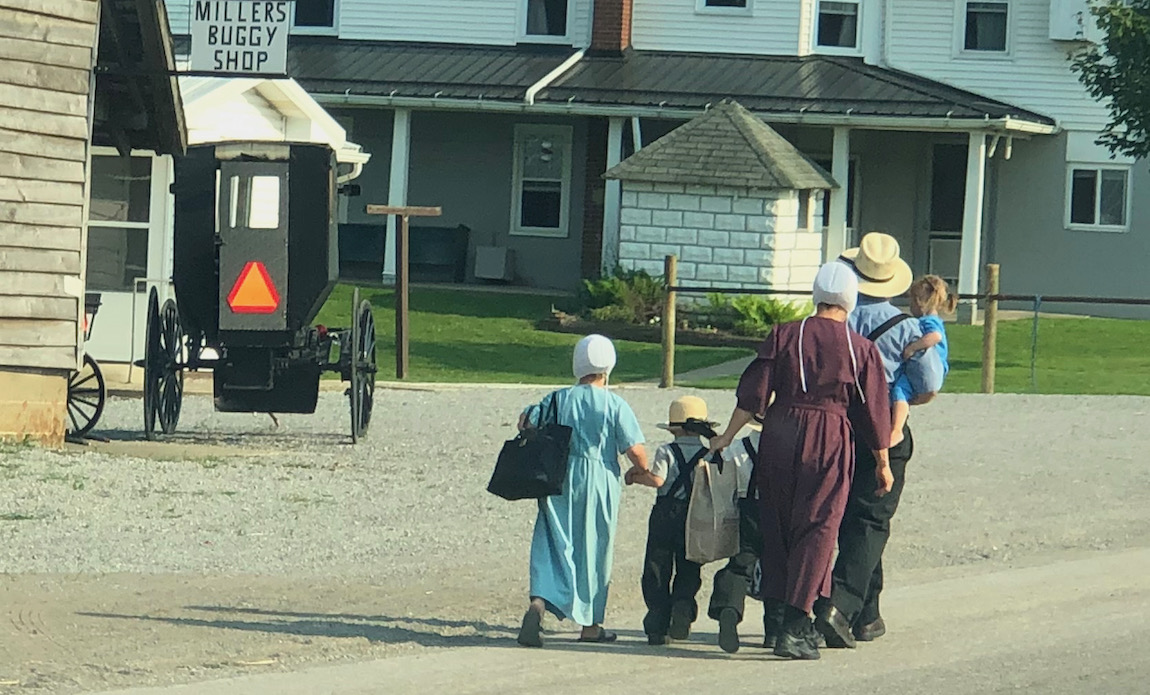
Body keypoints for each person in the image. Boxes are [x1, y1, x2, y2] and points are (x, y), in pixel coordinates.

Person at [710, 262, 893, 661]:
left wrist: (727, 435)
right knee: (819, 527)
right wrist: (883, 462)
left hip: (779, 431)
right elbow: (875, 412)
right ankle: (795, 625)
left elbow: (753, 394)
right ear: (850, 298)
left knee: (777, 522)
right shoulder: (860, 348)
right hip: (829, 434)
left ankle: (775, 618)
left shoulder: (785, 335)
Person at [814, 233, 945, 650]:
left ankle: (869, 614)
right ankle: (841, 607)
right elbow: (930, 385)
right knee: (871, 519)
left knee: (848, 515)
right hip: (885, 426)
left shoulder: (835, 321)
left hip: (837, 423)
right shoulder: (907, 327)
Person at [516, 334, 648, 648]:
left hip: (560, 473)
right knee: (595, 546)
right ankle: (590, 624)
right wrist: (641, 471)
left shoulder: (557, 399)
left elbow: (525, 422)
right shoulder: (615, 404)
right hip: (600, 476)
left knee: (552, 538)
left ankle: (540, 602)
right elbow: (636, 451)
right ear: (608, 367)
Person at [626, 396, 713, 645]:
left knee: (657, 562)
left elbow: (658, 480)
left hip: (666, 512)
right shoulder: (707, 453)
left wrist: (635, 477)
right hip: (695, 513)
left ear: (675, 428)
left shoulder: (667, 450)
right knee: (689, 562)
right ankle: (683, 605)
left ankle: (657, 619)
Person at [707, 415, 772, 654]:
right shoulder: (786, 445)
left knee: (740, 562)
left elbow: (726, 483)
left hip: (747, 509)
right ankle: (775, 631)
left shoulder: (737, 447)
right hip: (777, 510)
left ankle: (729, 609)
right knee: (780, 565)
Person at [889, 275, 956, 443]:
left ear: (920, 302)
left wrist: (913, 347)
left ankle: (897, 429)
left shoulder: (928, 320)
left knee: (899, 390)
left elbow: (935, 337)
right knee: (905, 391)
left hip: (931, 365)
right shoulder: (935, 319)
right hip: (938, 366)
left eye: (912, 301)